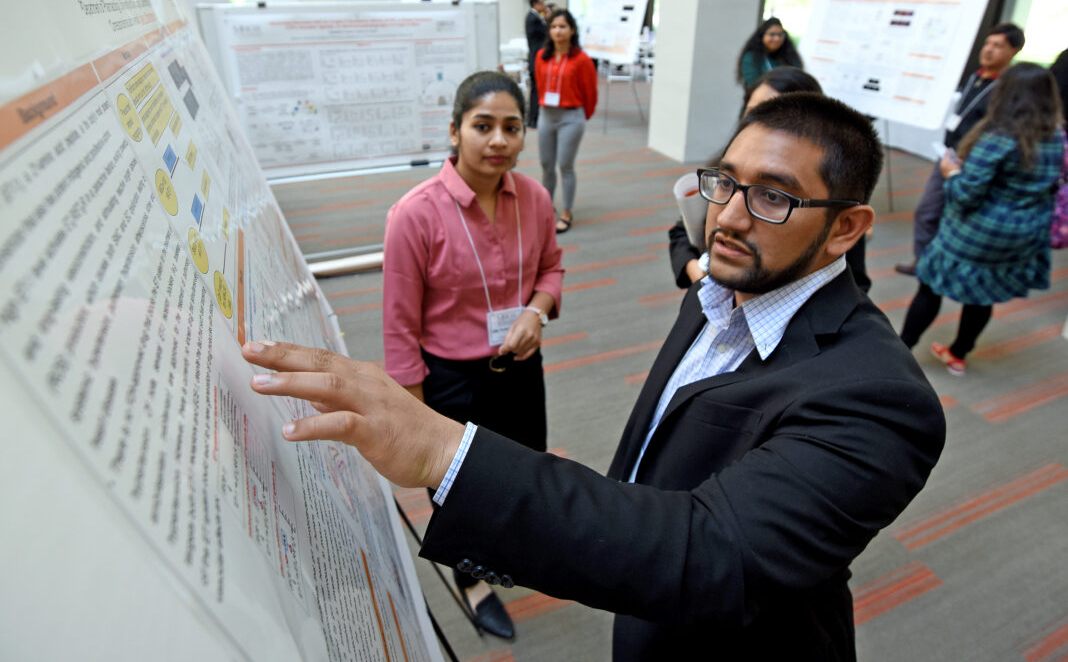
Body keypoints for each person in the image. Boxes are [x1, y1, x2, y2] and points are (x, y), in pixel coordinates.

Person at [243, 93, 945, 661]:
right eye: (726, 182)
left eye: (772, 198)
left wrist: (438, 450)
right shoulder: (723, 291)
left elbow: (711, 555)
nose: (726, 217)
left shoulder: (881, 401)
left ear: (847, 228)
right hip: (642, 606)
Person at [381, 70, 564, 638]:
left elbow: (551, 269)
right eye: (483, 126)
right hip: (451, 381)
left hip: (520, 366)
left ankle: (515, 543)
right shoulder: (414, 214)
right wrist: (413, 414)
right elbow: (398, 327)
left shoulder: (534, 198)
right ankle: (472, 576)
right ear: (455, 130)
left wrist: (536, 311)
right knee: (456, 486)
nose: (499, 141)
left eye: (512, 127)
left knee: (525, 464)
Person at [899, 62, 1063, 375]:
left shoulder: (998, 138)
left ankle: (899, 350)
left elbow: (964, 195)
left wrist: (951, 172)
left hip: (976, 234)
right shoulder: (1056, 137)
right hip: (1021, 235)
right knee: (983, 296)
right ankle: (958, 354)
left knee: (930, 287)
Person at [669, 67, 823, 288]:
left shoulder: (825, 194)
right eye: (754, 113)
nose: (727, 219)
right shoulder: (721, 165)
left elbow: (851, 282)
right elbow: (682, 230)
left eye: (772, 196)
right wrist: (694, 271)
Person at [896, 23, 1025, 275]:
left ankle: (943, 270)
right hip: (948, 155)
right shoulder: (976, 77)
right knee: (927, 212)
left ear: (1015, 50)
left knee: (956, 218)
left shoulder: (1008, 89)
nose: (989, 50)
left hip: (974, 164)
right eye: (988, 43)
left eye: (998, 46)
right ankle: (924, 264)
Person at [534, 8, 598, 234]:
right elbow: (539, 85)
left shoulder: (582, 60)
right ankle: (546, 206)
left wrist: (581, 116)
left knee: (565, 165)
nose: (557, 31)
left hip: (571, 117)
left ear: (572, 30)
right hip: (546, 115)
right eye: (553, 26)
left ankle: (567, 211)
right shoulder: (542, 56)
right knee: (546, 164)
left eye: (562, 26)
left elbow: (590, 92)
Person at [736, 17, 803, 89]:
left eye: (780, 34)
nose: (777, 38)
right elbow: (754, 84)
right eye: (772, 34)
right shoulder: (751, 57)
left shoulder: (790, 56)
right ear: (761, 36)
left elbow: (798, 80)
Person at [524, 0, 548, 129]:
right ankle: (533, 119)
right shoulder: (533, 19)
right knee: (536, 91)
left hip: (535, 58)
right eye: (542, 3)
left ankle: (534, 118)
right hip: (536, 59)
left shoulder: (535, 17)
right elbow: (545, 33)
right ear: (535, 4)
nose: (544, 6)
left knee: (536, 90)